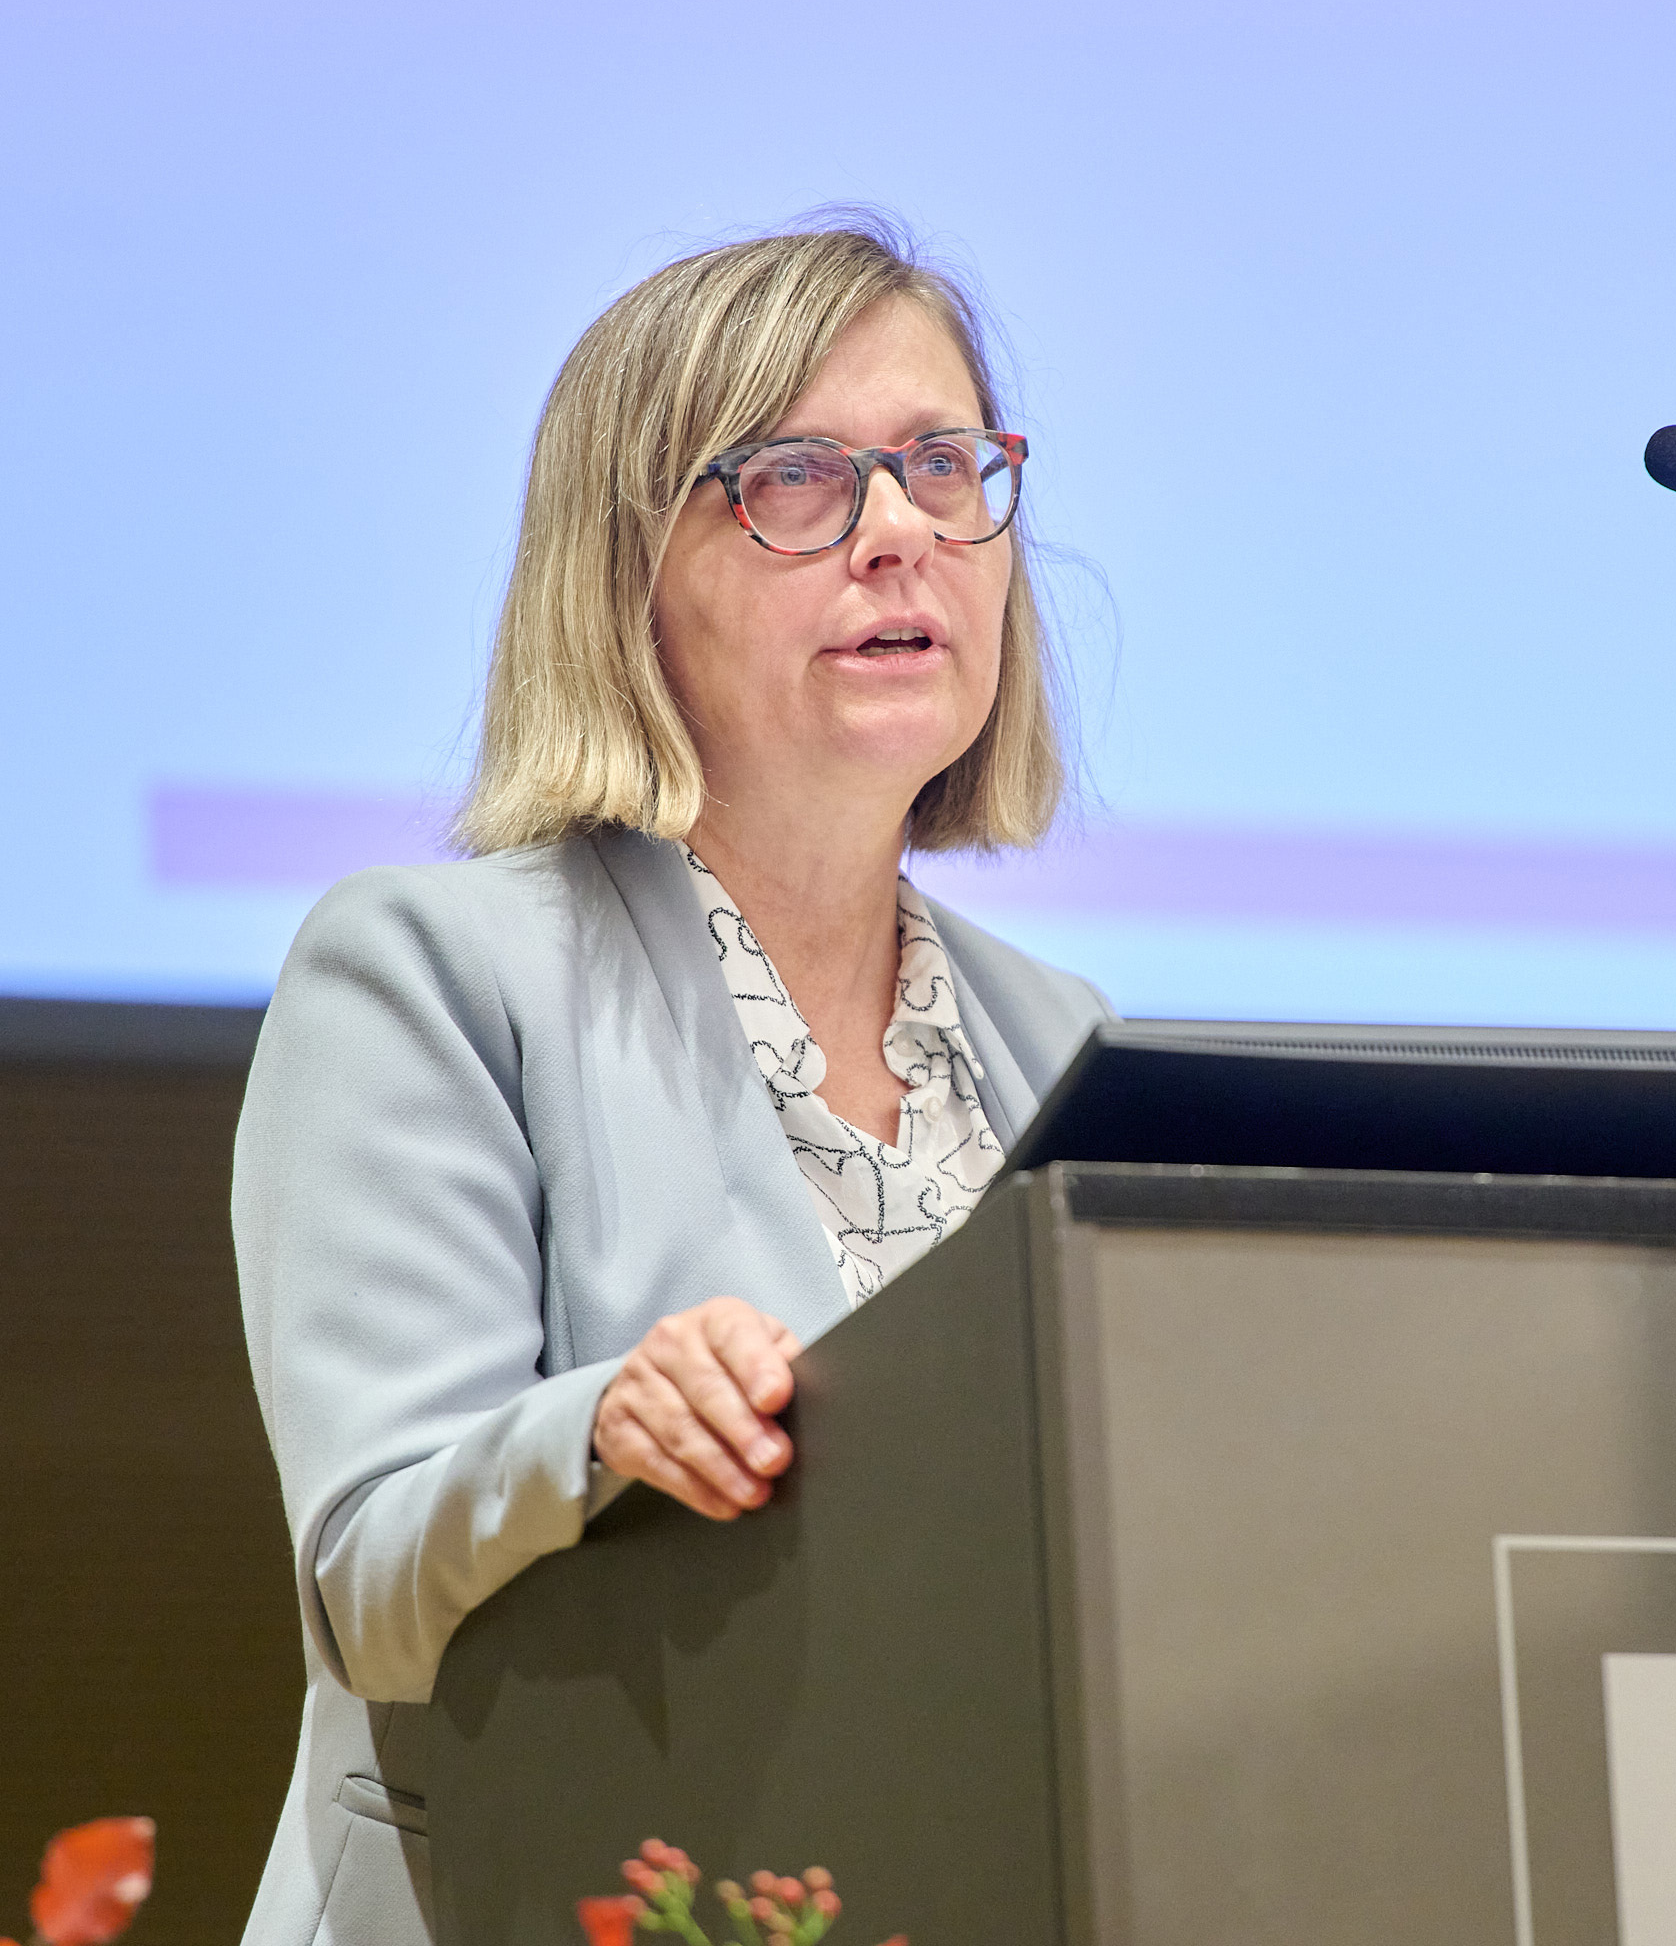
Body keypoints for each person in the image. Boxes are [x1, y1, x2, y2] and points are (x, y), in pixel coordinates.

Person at [230, 221, 1111, 1946]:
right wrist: (602, 1432)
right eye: (797, 480)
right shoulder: (429, 973)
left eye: (943, 465)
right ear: (624, 573)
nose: (899, 533)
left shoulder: (1060, 1038)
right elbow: (369, 1580)